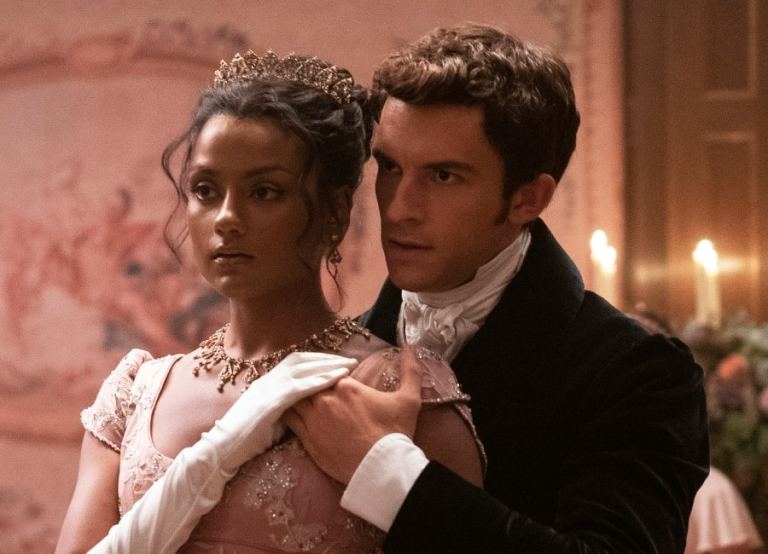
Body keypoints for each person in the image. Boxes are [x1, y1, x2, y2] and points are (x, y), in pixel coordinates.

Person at [285, 24, 710, 553]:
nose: (398, 209)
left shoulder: (635, 372)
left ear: (528, 199)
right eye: (390, 167)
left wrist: (386, 473)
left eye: (443, 176)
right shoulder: (334, 352)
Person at [56, 50, 484, 553]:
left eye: (264, 192)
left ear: (335, 212)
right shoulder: (135, 393)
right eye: (205, 190)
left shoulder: (399, 389)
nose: (226, 218)